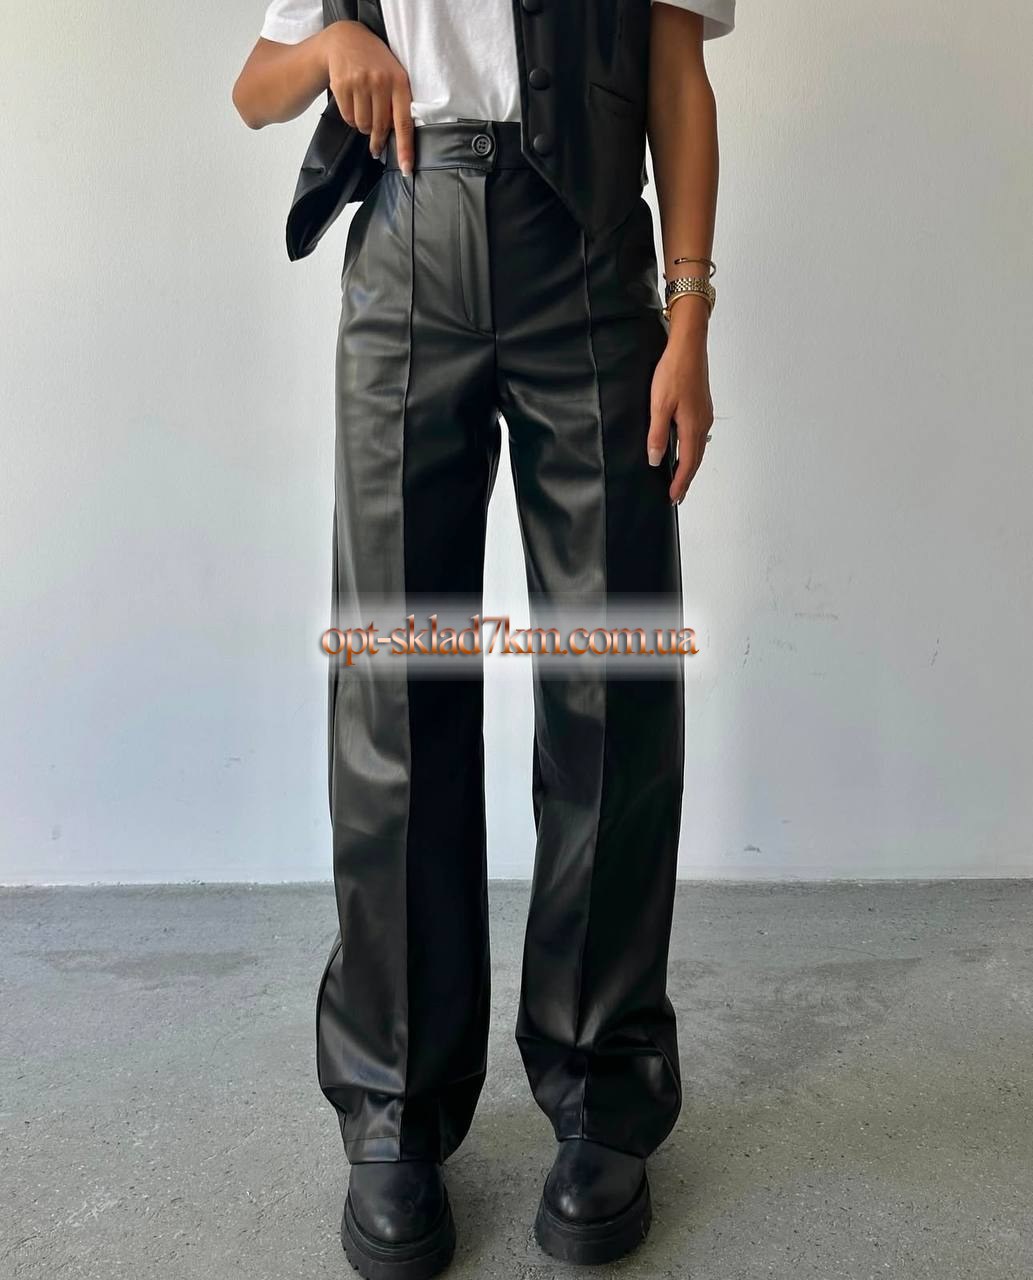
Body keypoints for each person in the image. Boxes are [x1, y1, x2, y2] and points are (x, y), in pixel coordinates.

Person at [233, 1, 734, 1274]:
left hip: (590, 262)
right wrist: (329, 51)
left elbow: (675, 77)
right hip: (409, 254)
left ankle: (604, 1087)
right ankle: (393, 1104)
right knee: (395, 692)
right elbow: (256, 88)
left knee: (612, 686)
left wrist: (688, 319)